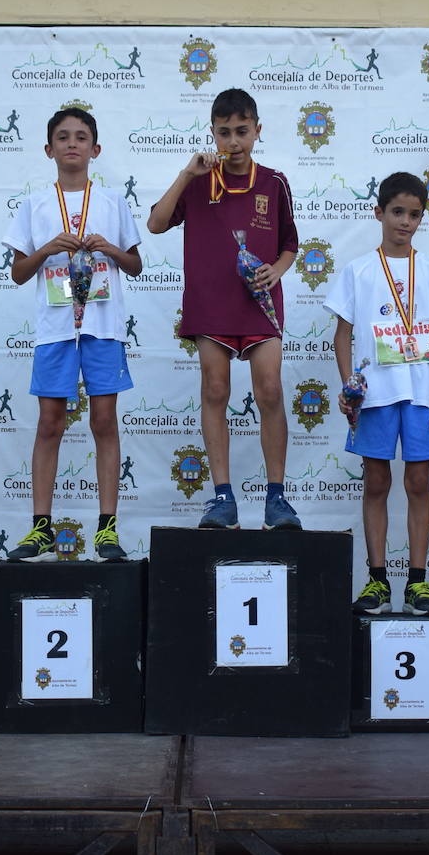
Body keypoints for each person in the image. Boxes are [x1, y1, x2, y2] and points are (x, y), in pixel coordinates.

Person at [147, 88, 301, 530]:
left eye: (242, 131)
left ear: (257, 130)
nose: (233, 141)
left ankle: (277, 498)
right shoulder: (199, 179)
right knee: (215, 390)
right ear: (212, 133)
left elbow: (290, 243)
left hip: (259, 304)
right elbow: (156, 223)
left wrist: (276, 270)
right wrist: (185, 173)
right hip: (210, 302)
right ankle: (222, 498)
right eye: (224, 133)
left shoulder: (274, 182)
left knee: (269, 389)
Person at [3, 107, 143, 561]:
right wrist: (47, 248)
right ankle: (40, 526)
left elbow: (136, 265)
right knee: (50, 423)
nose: (72, 144)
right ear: (48, 150)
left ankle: (107, 527)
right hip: (56, 328)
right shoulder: (34, 205)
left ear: (95, 149)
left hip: (102, 325)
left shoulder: (112, 202)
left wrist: (110, 249)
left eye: (81, 137)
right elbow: (18, 274)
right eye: (62, 137)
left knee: (103, 420)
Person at [325, 173, 429, 616]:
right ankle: (378, 579)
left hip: (422, 394)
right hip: (376, 395)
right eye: (398, 212)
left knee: (419, 482)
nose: (406, 222)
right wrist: (349, 382)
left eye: (415, 214)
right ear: (379, 212)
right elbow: (341, 334)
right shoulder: (359, 270)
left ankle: (418, 581)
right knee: (377, 481)